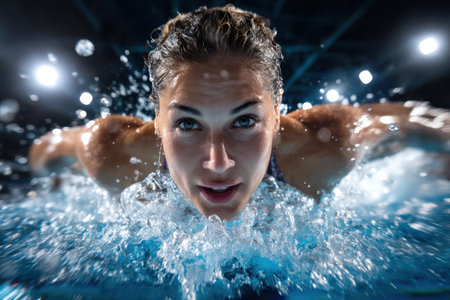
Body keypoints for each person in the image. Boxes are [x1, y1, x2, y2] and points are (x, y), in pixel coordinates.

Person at [29, 5, 449, 220]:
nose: (218, 162)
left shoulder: (324, 148)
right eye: (188, 123)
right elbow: (44, 151)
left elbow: (412, 122)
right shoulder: (114, 154)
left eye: (245, 120)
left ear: (278, 108)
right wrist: (50, 183)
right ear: (157, 118)